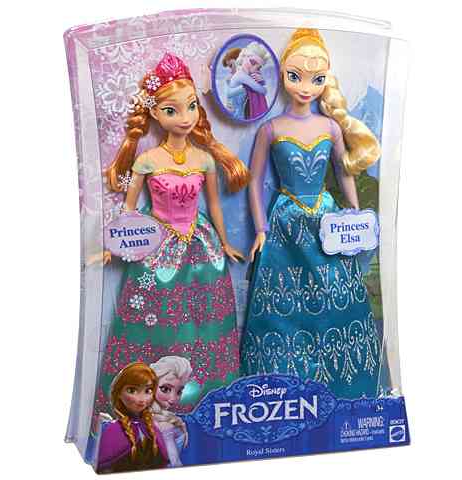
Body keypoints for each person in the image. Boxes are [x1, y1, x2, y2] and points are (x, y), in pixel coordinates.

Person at [93, 53, 249, 435]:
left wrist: (224, 243)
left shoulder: (203, 159)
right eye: (172, 110)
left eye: (192, 106)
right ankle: (141, 405)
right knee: (158, 319)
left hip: (202, 248)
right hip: (158, 247)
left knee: (203, 320)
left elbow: (213, 205)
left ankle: (207, 401)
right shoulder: (147, 159)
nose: (185, 117)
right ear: (155, 114)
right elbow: (130, 211)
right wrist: (115, 247)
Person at [240, 29, 383, 399]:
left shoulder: (330, 127)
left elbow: (343, 171)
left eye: (316, 79)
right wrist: (261, 229)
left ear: (326, 80)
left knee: (334, 297)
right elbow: (254, 181)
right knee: (284, 306)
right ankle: (280, 387)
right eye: (295, 76)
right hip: (285, 221)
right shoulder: (271, 128)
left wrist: (354, 214)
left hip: (326, 221)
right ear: (283, 75)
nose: (305, 87)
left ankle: (343, 384)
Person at [96, 362, 169, 473]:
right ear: (119, 393)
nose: (141, 399)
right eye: (132, 391)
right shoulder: (113, 430)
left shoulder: (151, 428)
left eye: (148, 391)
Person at [150, 356, 193, 467]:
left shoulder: (161, 419)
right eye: (165, 389)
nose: (173, 399)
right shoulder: (165, 426)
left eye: (179, 392)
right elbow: (174, 464)